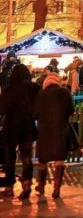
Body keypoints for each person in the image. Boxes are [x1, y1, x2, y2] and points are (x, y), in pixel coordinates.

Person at [0, 63, 40, 199]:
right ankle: (27, 184)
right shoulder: (35, 88)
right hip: (27, 126)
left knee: (9, 159)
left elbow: (2, 109)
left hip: (11, 127)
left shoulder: (8, 90)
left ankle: (9, 187)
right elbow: (37, 108)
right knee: (27, 157)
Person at [33, 70, 75, 199]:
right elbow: (71, 110)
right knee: (59, 160)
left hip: (45, 131)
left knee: (43, 160)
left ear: (46, 83)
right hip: (60, 129)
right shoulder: (65, 93)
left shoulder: (41, 94)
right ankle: (57, 188)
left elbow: (35, 114)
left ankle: (41, 185)